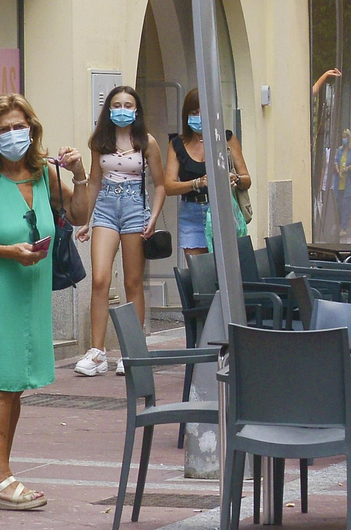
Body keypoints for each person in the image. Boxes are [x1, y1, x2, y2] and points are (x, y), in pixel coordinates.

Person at [0, 93, 92, 509]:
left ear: (32, 128)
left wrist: (80, 174)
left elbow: (79, 215)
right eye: (4, 129)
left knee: (14, 388)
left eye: (19, 126)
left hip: (26, 297)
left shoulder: (45, 174)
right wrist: (9, 251)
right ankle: (0, 478)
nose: (14, 135)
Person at [73, 86, 166, 377]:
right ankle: (97, 352)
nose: (122, 109)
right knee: (100, 279)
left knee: (132, 281)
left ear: (136, 109)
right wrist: (87, 219)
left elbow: (161, 185)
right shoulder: (99, 142)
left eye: (128, 104)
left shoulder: (147, 142)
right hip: (105, 208)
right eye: (116, 104)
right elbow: (94, 182)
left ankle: (132, 349)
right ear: (108, 109)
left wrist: (152, 217)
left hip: (135, 208)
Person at [164, 89, 251, 257]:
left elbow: (246, 179)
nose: (200, 117)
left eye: (205, 111)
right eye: (195, 112)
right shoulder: (177, 144)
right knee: (199, 274)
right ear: (187, 115)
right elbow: (169, 186)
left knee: (225, 270)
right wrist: (197, 183)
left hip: (222, 209)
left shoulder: (226, 139)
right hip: (191, 213)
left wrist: (236, 179)